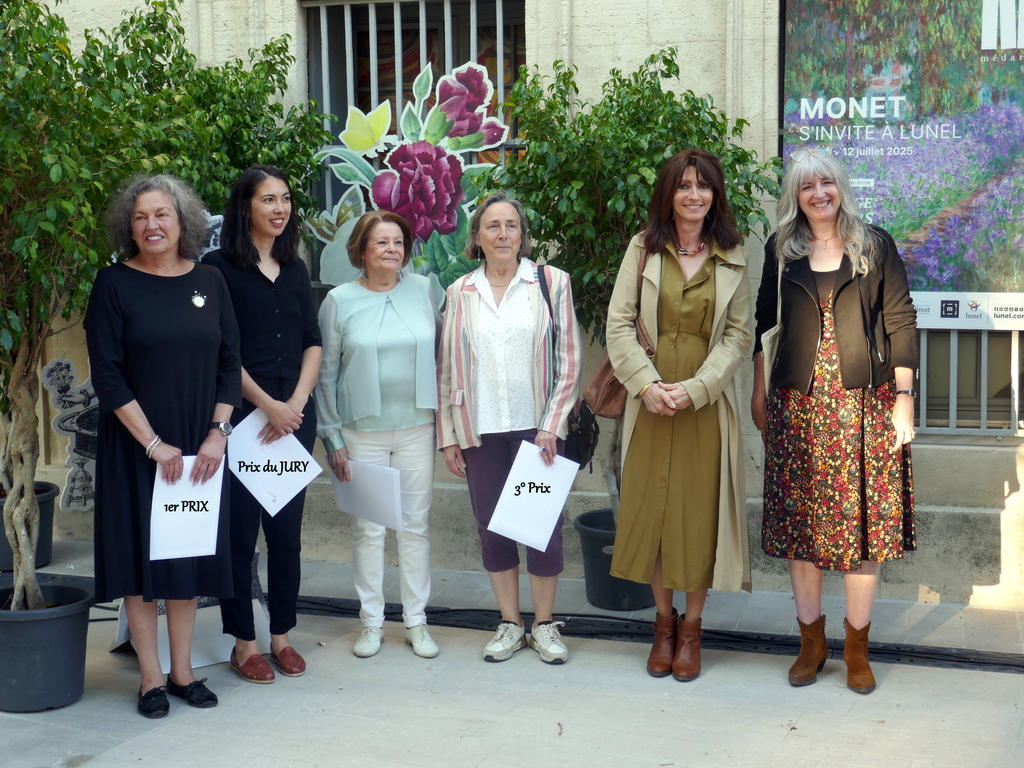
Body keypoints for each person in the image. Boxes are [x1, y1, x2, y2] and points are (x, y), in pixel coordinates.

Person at [751, 149, 917, 694]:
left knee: (861, 530)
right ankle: (811, 644)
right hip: (797, 405)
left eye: (826, 182)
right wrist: (758, 390)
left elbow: (900, 321)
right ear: (795, 197)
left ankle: (856, 649)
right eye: (806, 186)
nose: (818, 193)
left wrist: (904, 398)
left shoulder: (874, 245)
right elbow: (764, 324)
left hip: (864, 405)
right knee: (802, 530)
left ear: (840, 187)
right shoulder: (781, 250)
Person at [85, 174, 241, 717]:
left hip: (200, 450)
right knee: (140, 562)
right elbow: (107, 374)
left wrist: (218, 434)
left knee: (186, 557)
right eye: (140, 217)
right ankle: (150, 677)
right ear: (129, 227)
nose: (152, 225)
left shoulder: (210, 281)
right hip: (136, 448)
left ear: (183, 221)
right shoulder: (113, 284)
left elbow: (229, 365)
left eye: (162, 214)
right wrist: (152, 443)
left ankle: (182, 672)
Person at [606, 148, 752, 682]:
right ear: (668, 194)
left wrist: (697, 389)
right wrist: (646, 386)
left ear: (715, 195)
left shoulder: (732, 254)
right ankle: (662, 626)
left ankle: (691, 630)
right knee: (654, 514)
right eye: (684, 185)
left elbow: (738, 336)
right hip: (649, 403)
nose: (694, 195)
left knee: (696, 515)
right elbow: (619, 323)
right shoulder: (642, 249)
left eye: (703, 186)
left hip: (704, 406)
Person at [437, 192, 582, 664]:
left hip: (537, 430)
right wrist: (449, 436)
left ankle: (544, 625)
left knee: (542, 529)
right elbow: (446, 370)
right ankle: (509, 623)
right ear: (476, 237)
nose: (503, 234)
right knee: (492, 529)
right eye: (493, 226)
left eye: (511, 226)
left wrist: (552, 425)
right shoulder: (459, 292)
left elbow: (569, 362)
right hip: (480, 432)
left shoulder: (550, 283)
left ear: (522, 235)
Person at [204, 166, 322, 683]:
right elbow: (221, 351)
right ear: (245, 207)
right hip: (241, 420)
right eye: (268, 199)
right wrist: (267, 405)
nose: (280, 209)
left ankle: (282, 637)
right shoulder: (217, 269)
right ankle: (244, 643)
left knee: (287, 536)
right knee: (238, 538)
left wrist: (293, 403)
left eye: (285, 199)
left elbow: (312, 341)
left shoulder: (295, 267)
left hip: (293, 421)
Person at [315, 210, 441, 659]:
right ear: (362, 251)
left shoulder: (423, 289)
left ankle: (416, 622)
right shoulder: (339, 300)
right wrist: (332, 437)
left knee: (415, 527)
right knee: (369, 530)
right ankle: (371, 623)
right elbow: (325, 374)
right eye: (382, 242)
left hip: (417, 428)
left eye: (398, 242)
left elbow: (441, 355)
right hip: (361, 432)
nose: (392, 249)